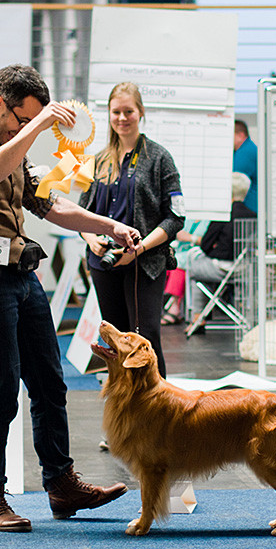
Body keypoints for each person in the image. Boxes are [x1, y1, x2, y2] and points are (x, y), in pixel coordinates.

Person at [0, 64, 141, 533]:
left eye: (31, 124)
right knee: (2, 391)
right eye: (21, 121)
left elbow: (47, 203)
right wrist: (41, 126)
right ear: (0, 103)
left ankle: (61, 485)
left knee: (50, 384)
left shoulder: (14, 142)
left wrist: (108, 226)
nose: (24, 131)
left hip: (21, 275)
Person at [78, 82, 184, 377]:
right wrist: (92, 240)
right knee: (116, 343)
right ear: (109, 115)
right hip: (104, 264)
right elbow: (81, 214)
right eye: (116, 112)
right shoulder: (97, 160)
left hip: (145, 263)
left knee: (145, 339)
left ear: (140, 113)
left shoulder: (159, 158)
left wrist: (139, 248)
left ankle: (161, 412)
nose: (122, 118)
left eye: (129, 111)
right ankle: (125, 412)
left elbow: (176, 217)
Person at [186, 172, 256, 317]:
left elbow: (205, 244)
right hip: (245, 268)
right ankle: (242, 314)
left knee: (194, 265)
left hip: (221, 266)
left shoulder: (223, 214)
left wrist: (215, 245)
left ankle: (198, 317)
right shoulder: (253, 215)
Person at [232, 119, 258, 213]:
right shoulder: (249, 148)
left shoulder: (246, 151)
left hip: (250, 206)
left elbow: (232, 177)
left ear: (241, 135)